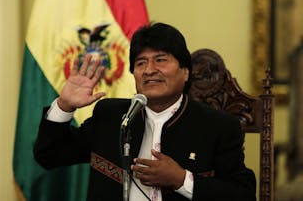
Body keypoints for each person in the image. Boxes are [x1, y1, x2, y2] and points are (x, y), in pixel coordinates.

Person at [34, 22, 256, 201]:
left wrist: (181, 179)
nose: (149, 70)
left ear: (186, 72)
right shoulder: (111, 115)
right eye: (141, 63)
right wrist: (65, 106)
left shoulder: (218, 126)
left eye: (160, 60)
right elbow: (49, 155)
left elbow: (243, 195)